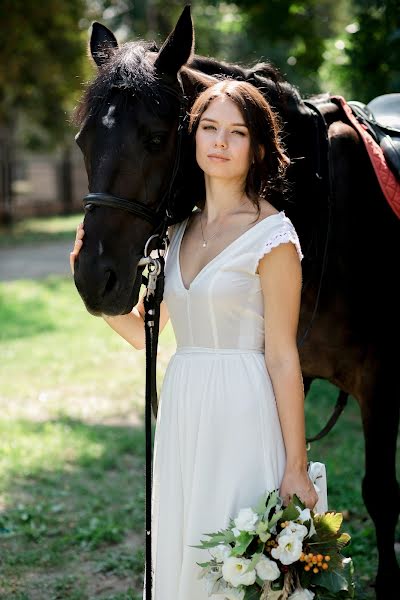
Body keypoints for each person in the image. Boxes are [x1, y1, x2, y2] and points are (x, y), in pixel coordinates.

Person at [70, 79, 318, 600]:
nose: (220, 142)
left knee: (237, 558)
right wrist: (92, 295)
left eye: (236, 132)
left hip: (244, 411)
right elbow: (147, 337)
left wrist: (295, 467)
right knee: (185, 548)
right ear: (192, 139)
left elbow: (281, 356)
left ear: (258, 149)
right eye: (209, 128)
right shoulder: (176, 232)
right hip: (183, 409)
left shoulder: (274, 236)